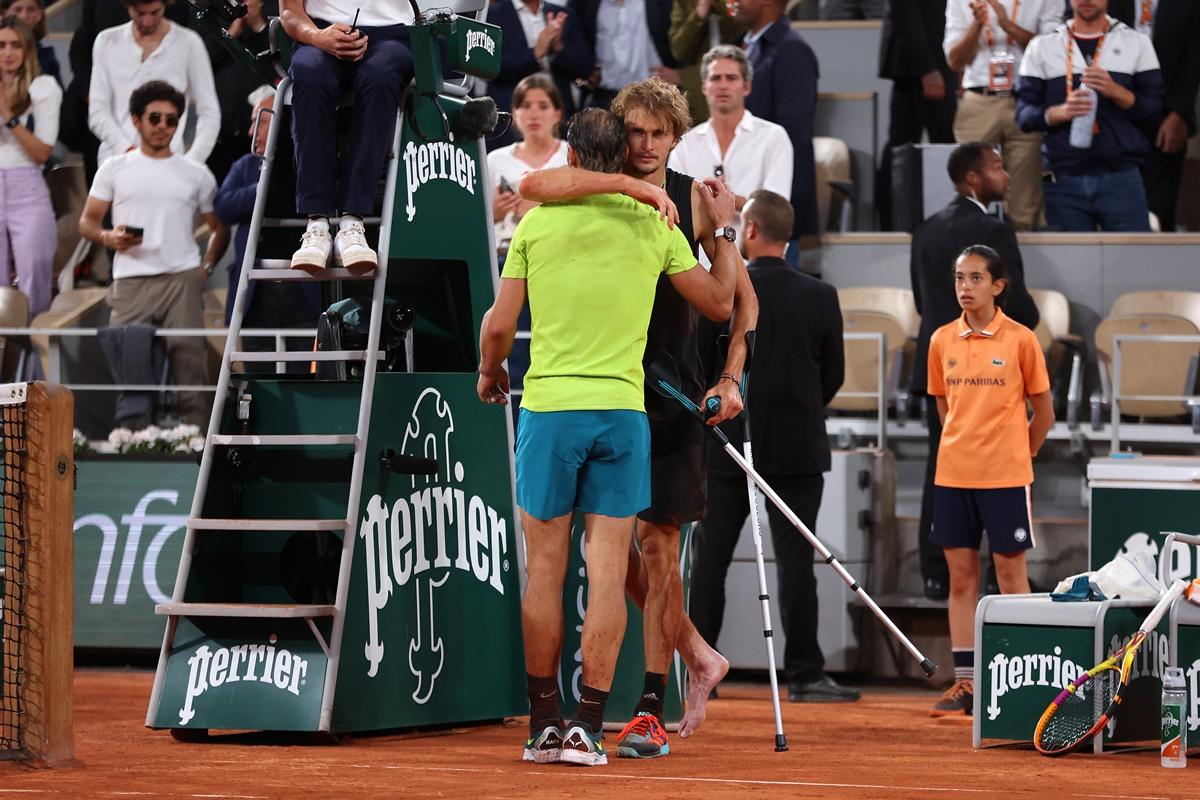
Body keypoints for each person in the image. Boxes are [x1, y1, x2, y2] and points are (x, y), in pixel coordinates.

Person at [476, 107, 739, 767]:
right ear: (623, 153)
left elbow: (499, 327)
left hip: (549, 410)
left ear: (570, 153)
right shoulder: (653, 223)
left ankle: (544, 724)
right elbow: (719, 303)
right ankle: (590, 727)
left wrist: (489, 372)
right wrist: (726, 229)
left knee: (544, 571)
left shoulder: (539, 222)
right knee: (606, 573)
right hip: (622, 416)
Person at [690, 189, 856, 704]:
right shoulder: (820, 295)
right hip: (798, 448)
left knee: (710, 559)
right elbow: (835, 376)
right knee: (796, 563)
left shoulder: (722, 292)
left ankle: (698, 669)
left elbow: (699, 364)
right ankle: (805, 673)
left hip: (726, 443)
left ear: (752, 231)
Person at [926, 243, 1054, 717]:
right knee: (961, 580)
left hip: (1005, 476)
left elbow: (1044, 412)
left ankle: (1023, 679)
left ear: (998, 286)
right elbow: (944, 409)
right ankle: (966, 683)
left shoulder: (1021, 340)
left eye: (976, 278)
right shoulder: (941, 341)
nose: (965, 287)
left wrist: (1023, 450)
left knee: (1009, 577)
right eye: (960, 278)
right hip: (953, 475)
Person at [910, 142, 1040, 600]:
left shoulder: (925, 229)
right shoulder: (992, 230)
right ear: (973, 179)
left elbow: (921, 303)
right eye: (997, 168)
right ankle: (996, 571)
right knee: (992, 466)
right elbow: (1018, 304)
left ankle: (934, 570)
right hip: (989, 365)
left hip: (939, 359)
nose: (1006, 176)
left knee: (941, 463)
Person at [79, 80, 226, 427]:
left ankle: (198, 449)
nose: (163, 126)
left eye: (171, 120)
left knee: (191, 367)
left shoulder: (196, 173)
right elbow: (86, 222)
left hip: (182, 278)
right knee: (130, 370)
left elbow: (220, 227)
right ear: (136, 120)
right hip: (130, 279)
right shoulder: (114, 168)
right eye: (155, 117)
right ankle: (133, 445)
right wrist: (108, 237)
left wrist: (205, 267)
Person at [280, 0, 414, 274]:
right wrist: (317, 36)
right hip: (318, 32)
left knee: (379, 75)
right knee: (309, 71)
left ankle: (353, 223)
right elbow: (289, 12)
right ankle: (316, 224)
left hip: (393, 34)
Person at [1015, 0, 1164, 232]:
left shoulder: (1137, 43)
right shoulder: (1042, 46)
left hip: (1121, 175)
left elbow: (1154, 111)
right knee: (1070, 266)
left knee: (1133, 263)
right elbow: (1024, 116)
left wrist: (1118, 92)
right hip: (1061, 177)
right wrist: (1060, 112)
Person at [212, 85, 319, 369]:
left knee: (303, 375)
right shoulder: (245, 166)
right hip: (256, 290)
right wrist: (264, 187)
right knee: (258, 378)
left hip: (303, 288)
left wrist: (280, 179)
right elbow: (222, 206)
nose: (251, 132)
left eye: (259, 122)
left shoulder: (308, 167)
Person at [944, 0, 1062, 231]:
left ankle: (1022, 259)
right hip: (979, 100)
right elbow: (955, 61)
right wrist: (977, 25)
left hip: (1026, 101)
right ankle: (970, 258)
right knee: (970, 193)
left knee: (1024, 202)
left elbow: (1053, 52)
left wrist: (1007, 25)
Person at [667, 44, 793, 248]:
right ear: (704, 87)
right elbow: (674, 207)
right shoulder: (685, 143)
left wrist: (729, 201)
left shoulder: (773, 137)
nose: (723, 85)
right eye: (716, 78)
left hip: (754, 261)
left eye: (731, 78)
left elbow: (775, 213)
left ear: (746, 86)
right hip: (698, 262)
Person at [732, 0, 818, 264]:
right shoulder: (740, 46)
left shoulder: (792, 51)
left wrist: (763, 204)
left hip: (771, 218)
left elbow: (793, 135)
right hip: (735, 215)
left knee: (770, 303)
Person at [88, 0, 220, 167]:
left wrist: (192, 163)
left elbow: (209, 112)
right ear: (129, 7)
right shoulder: (106, 41)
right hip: (114, 162)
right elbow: (97, 111)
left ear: (165, 5)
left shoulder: (189, 43)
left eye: (154, 12)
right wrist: (126, 150)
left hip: (169, 165)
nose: (147, 21)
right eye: (140, 14)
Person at [877, 0, 957, 231]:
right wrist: (926, 69)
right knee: (905, 146)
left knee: (934, 142)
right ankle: (892, 224)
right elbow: (905, 10)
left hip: (940, 57)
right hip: (920, 64)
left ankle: (947, 222)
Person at [0, 16, 59, 316]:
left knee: (35, 279)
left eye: (15, 45)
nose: (8, 53)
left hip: (28, 187)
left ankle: (35, 359)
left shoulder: (44, 87)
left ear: (27, 50)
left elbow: (41, 152)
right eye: (1, 45)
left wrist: (8, 114)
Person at [485, 0, 593, 150]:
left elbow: (585, 67)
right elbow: (491, 66)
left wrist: (559, 48)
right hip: (510, 120)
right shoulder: (491, 16)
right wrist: (535, 52)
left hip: (560, 118)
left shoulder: (563, 15)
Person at [487, 73, 569, 254]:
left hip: (559, 252)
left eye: (543, 106)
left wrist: (540, 207)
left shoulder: (572, 156)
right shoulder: (494, 160)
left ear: (557, 114)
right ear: (515, 113)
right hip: (504, 255)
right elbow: (472, 222)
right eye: (525, 106)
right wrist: (493, 213)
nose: (533, 114)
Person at [573, 0, 681, 110]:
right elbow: (570, 42)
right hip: (603, 97)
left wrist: (680, 74)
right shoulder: (585, 4)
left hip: (656, 96)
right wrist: (582, 73)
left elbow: (683, 42)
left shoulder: (663, 3)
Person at [667, 0, 745, 125]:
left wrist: (720, 5)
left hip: (738, 100)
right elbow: (679, 51)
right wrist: (699, 14)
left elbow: (744, 33)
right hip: (698, 103)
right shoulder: (684, 3)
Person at [0, 0, 61, 86]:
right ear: (4, 13)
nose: (24, 16)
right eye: (18, 10)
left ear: (39, 14)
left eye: (31, 10)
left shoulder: (46, 60)